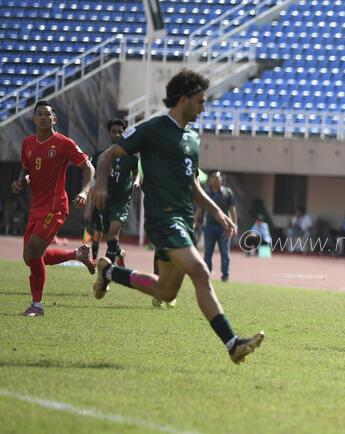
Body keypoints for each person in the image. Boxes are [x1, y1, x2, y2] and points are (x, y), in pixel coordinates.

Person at [90, 69, 264, 364]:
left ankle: (108, 271)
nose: (203, 107)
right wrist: (102, 184)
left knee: (166, 290)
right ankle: (232, 343)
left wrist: (218, 211)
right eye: (200, 101)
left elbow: (192, 184)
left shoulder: (193, 138)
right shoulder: (153, 129)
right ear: (183, 99)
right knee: (201, 271)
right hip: (163, 218)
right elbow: (108, 156)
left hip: (183, 219)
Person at [12, 100, 96, 316]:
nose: (43, 117)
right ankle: (78, 254)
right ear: (34, 119)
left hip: (55, 205)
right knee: (30, 257)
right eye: (39, 114)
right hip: (36, 206)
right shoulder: (27, 144)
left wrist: (84, 191)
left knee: (33, 252)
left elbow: (88, 167)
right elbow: (27, 170)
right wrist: (21, 181)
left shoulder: (64, 143)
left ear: (54, 119)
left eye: (47, 114)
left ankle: (37, 306)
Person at [89, 118, 140, 267]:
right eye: (114, 131)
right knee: (108, 236)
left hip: (122, 201)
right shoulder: (100, 155)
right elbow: (90, 174)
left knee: (112, 234)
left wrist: (136, 181)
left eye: (120, 131)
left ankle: (107, 274)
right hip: (104, 201)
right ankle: (120, 253)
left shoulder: (131, 157)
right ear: (109, 133)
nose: (117, 134)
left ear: (124, 133)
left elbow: (137, 172)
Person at [196, 171, 237, 281]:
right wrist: (195, 221)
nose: (216, 179)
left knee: (225, 252)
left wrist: (235, 224)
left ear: (221, 179)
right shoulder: (205, 192)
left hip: (224, 228)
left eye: (218, 177)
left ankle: (225, 275)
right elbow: (200, 208)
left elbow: (232, 209)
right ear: (210, 180)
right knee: (208, 252)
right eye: (214, 177)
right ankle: (207, 274)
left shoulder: (228, 192)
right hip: (209, 227)